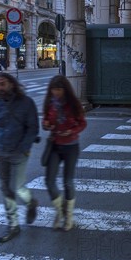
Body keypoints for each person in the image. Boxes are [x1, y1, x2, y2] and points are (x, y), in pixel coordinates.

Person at [0, 72, 39, 243]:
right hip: (1, 152)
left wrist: (24, 148)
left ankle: (31, 202)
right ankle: (13, 225)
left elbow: (33, 129)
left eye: (2, 84)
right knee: (6, 189)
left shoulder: (26, 103)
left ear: (11, 84)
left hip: (19, 153)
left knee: (17, 187)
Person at [42, 75, 87, 231]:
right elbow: (45, 120)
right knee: (49, 181)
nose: (56, 93)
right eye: (54, 89)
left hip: (71, 145)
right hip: (55, 144)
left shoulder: (73, 104)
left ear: (65, 90)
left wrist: (71, 131)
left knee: (68, 181)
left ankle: (68, 215)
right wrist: (46, 125)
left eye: (59, 90)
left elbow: (82, 123)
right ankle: (60, 210)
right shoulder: (50, 103)